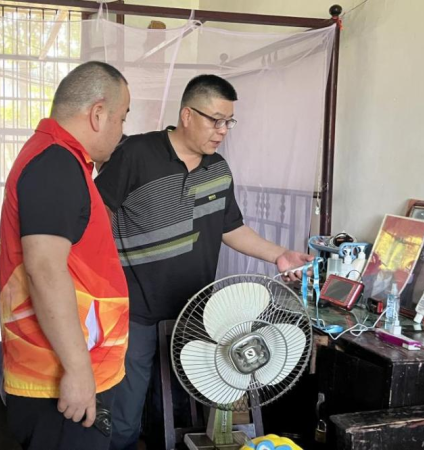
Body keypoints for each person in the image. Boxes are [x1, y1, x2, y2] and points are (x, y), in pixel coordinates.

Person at [95, 74, 313, 450]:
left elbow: (231, 228)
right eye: (216, 120)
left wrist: (279, 254)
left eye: (229, 122)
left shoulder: (219, 169)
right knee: (125, 414)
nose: (222, 130)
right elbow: (96, 215)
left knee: (180, 412)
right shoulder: (136, 155)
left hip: (193, 315)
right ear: (187, 115)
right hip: (134, 311)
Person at [0, 61, 131, 450]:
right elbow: (44, 269)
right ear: (97, 114)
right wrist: (77, 369)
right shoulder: (55, 163)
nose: (121, 131)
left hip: (69, 368)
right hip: (55, 378)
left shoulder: (61, 160)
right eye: (122, 118)